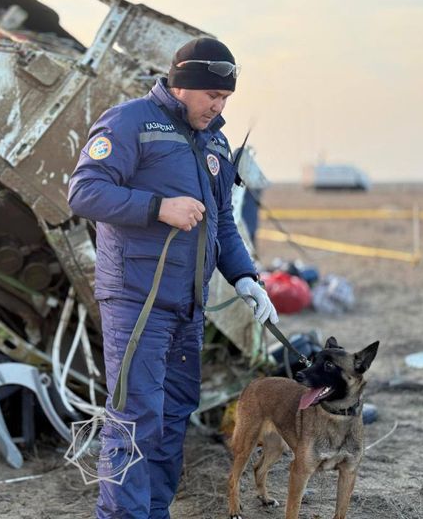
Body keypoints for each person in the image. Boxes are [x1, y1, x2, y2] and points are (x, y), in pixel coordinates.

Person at [68, 37, 279, 518]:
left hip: (189, 305)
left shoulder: (217, 142)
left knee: (170, 419)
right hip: (136, 302)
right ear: (183, 84)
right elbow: (83, 192)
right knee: (135, 419)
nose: (219, 105)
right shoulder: (129, 122)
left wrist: (245, 278)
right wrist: (156, 208)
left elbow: (223, 220)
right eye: (212, 95)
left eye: (226, 98)